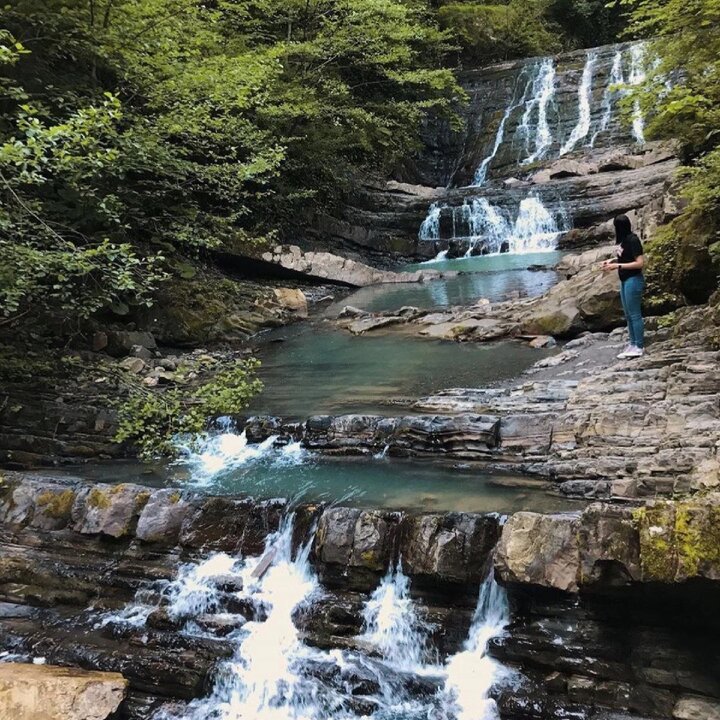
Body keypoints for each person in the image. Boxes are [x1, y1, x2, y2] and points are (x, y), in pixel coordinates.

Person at [602, 214, 645, 358]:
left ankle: (639, 346)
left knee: (635, 314)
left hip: (634, 279)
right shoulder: (623, 241)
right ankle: (632, 344)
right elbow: (625, 257)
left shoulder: (633, 240)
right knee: (628, 315)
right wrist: (611, 262)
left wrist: (617, 266)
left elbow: (639, 263)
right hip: (625, 280)